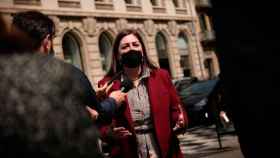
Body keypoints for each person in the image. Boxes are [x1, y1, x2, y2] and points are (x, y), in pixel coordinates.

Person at [10, 10, 126, 122]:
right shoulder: (69, 75)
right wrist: (113, 101)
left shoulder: (8, 79)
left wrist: (92, 96)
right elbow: (99, 115)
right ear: (47, 41)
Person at [98, 29, 188, 158]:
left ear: (143, 50)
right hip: (128, 152)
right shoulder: (107, 85)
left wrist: (180, 121)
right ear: (118, 55)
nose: (131, 49)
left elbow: (177, 109)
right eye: (125, 47)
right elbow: (100, 125)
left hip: (165, 151)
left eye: (135, 44)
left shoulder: (162, 76)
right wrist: (109, 133)